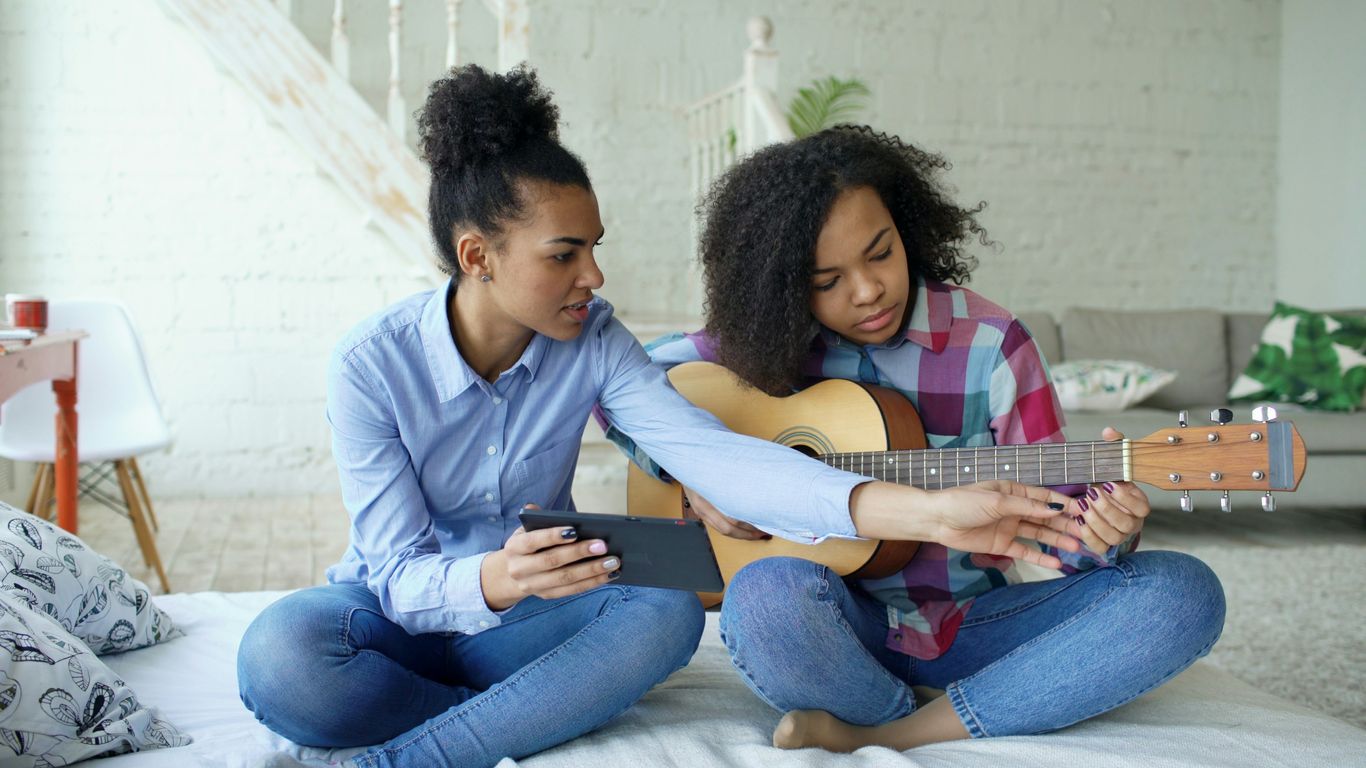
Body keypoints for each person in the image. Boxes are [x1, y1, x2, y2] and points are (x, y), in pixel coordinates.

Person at [234, 69, 1083, 768]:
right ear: (477, 257)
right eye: (565, 254)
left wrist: (935, 512)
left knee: (667, 613)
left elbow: (727, 459)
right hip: (401, 621)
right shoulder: (370, 366)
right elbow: (391, 576)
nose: (594, 275)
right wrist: (496, 578)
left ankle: (411, 757)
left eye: (594, 246)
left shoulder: (595, 344)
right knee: (281, 661)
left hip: (536, 626)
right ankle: (496, 719)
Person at [602, 125, 1227, 752]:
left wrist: (1104, 532)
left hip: (972, 624)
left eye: (880, 253)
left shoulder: (991, 346)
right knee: (762, 598)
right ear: (784, 287)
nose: (868, 290)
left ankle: (895, 731)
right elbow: (614, 387)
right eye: (826, 281)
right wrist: (699, 475)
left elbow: (1063, 540)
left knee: (1180, 592)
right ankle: (950, 709)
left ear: (907, 228)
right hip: (836, 626)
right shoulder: (758, 347)